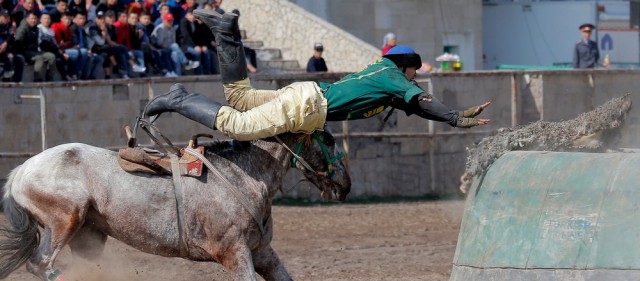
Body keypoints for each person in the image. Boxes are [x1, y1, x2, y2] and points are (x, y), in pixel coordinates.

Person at [143, 11, 491, 141]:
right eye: (414, 70)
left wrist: (453, 116)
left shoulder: (385, 76)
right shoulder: (394, 76)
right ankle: (179, 99)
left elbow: (414, 105)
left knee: (239, 99)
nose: (416, 76)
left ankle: (225, 33)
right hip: (308, 107)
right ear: (405, 67)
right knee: (238, 125)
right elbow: (420, 99)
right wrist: (456, 118)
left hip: (306, 95)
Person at [150, 12, 198, 77]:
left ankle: (178, 75)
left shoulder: (172, 29)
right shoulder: (160, 28)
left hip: (170, 48)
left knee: (175, 55)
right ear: (164, 21)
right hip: (160, 48)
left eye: (171, 20)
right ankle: (186, 62)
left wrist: (171, 47)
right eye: (168, 21)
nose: (170, 22)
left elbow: (173, 41)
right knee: (174, 45)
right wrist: (169, 46)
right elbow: (159, 43)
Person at [14, 12, 56, 81]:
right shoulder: (23, 28)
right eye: (31, 19)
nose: (33, 20)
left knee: (51, 56)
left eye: (35, 19)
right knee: (39, 58)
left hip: (34, 50)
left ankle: (49, 79)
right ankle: (37, 79)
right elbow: (18, 43)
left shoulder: (36, 28)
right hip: (24, 51)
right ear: (27, 19)